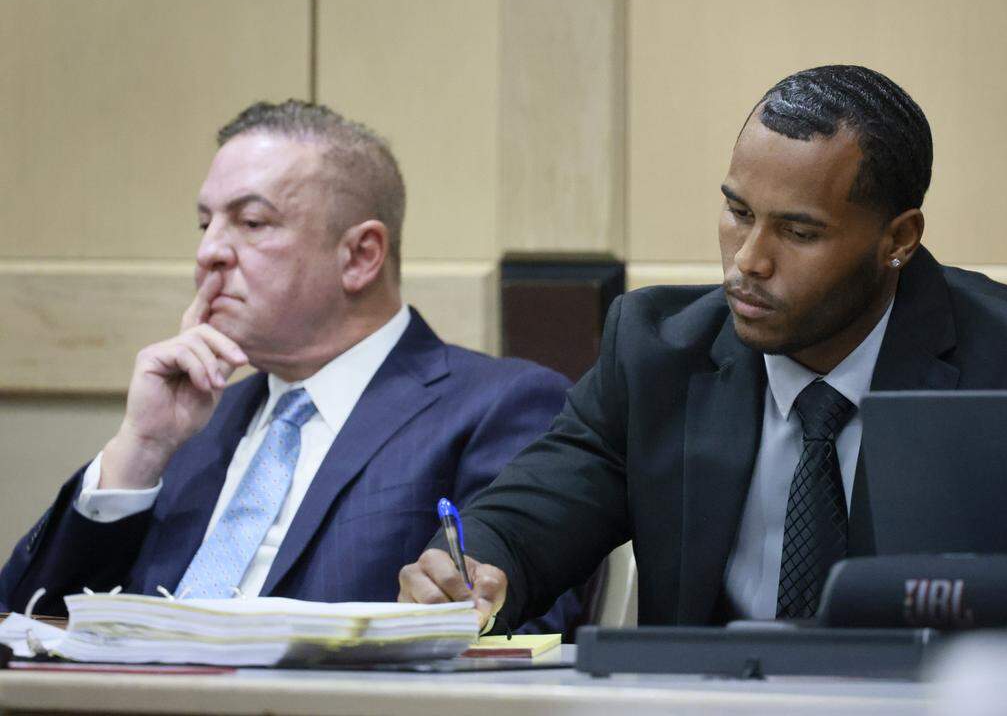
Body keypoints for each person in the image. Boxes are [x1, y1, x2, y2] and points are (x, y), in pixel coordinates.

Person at [398, 65, 1007, 630]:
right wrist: (471, 567)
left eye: (799, 232)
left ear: (898, 239)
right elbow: (533, 515)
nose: (748, 260)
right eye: (737, 212)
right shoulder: (656, 351)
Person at [0, 101, 576, 629]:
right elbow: (26, 622)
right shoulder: (191, 425)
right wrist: (141, 448)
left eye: (251, 223)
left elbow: (512, 627)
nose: (209, 252)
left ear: (360, 256)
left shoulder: (500, 408)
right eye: (205, 224)